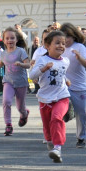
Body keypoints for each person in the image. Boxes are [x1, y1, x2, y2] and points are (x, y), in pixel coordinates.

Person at [29, 30, 71, 162]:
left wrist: (66, 79)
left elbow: (61, 72)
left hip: (62, 96)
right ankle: (50, 142)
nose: (61, 46)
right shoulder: (43, 60)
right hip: (45, 98)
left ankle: (58, 147)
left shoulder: (66, 61)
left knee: (57, 118)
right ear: (47, 46)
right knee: (47, 127)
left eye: (63, 43)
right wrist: (44, 69)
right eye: (57, 43)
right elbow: (32, 76)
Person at [60, 23, 86, 148]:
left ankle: (81, 137)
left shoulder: (79, 47)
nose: (66, 40)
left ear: (74, 36)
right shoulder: (59, 47)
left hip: (79, 86)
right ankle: (58, 134)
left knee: (81, 113)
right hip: (63, 86)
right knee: (57, 111)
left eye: (68, 36)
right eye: (63, 37)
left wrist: (79, 58)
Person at [0, 27, 30, 136]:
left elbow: (28, 64)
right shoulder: (3, 54)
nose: (10, 40)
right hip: (8, 81)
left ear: (16, 40)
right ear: (4, 40)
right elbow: (0, 65)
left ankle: (24, 114)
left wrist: (21, 64)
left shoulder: (20, 51)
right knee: (6, 101)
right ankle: (8, 125)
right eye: (7, 38)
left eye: (12, 38)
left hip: (21, 82)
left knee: (20, 107)